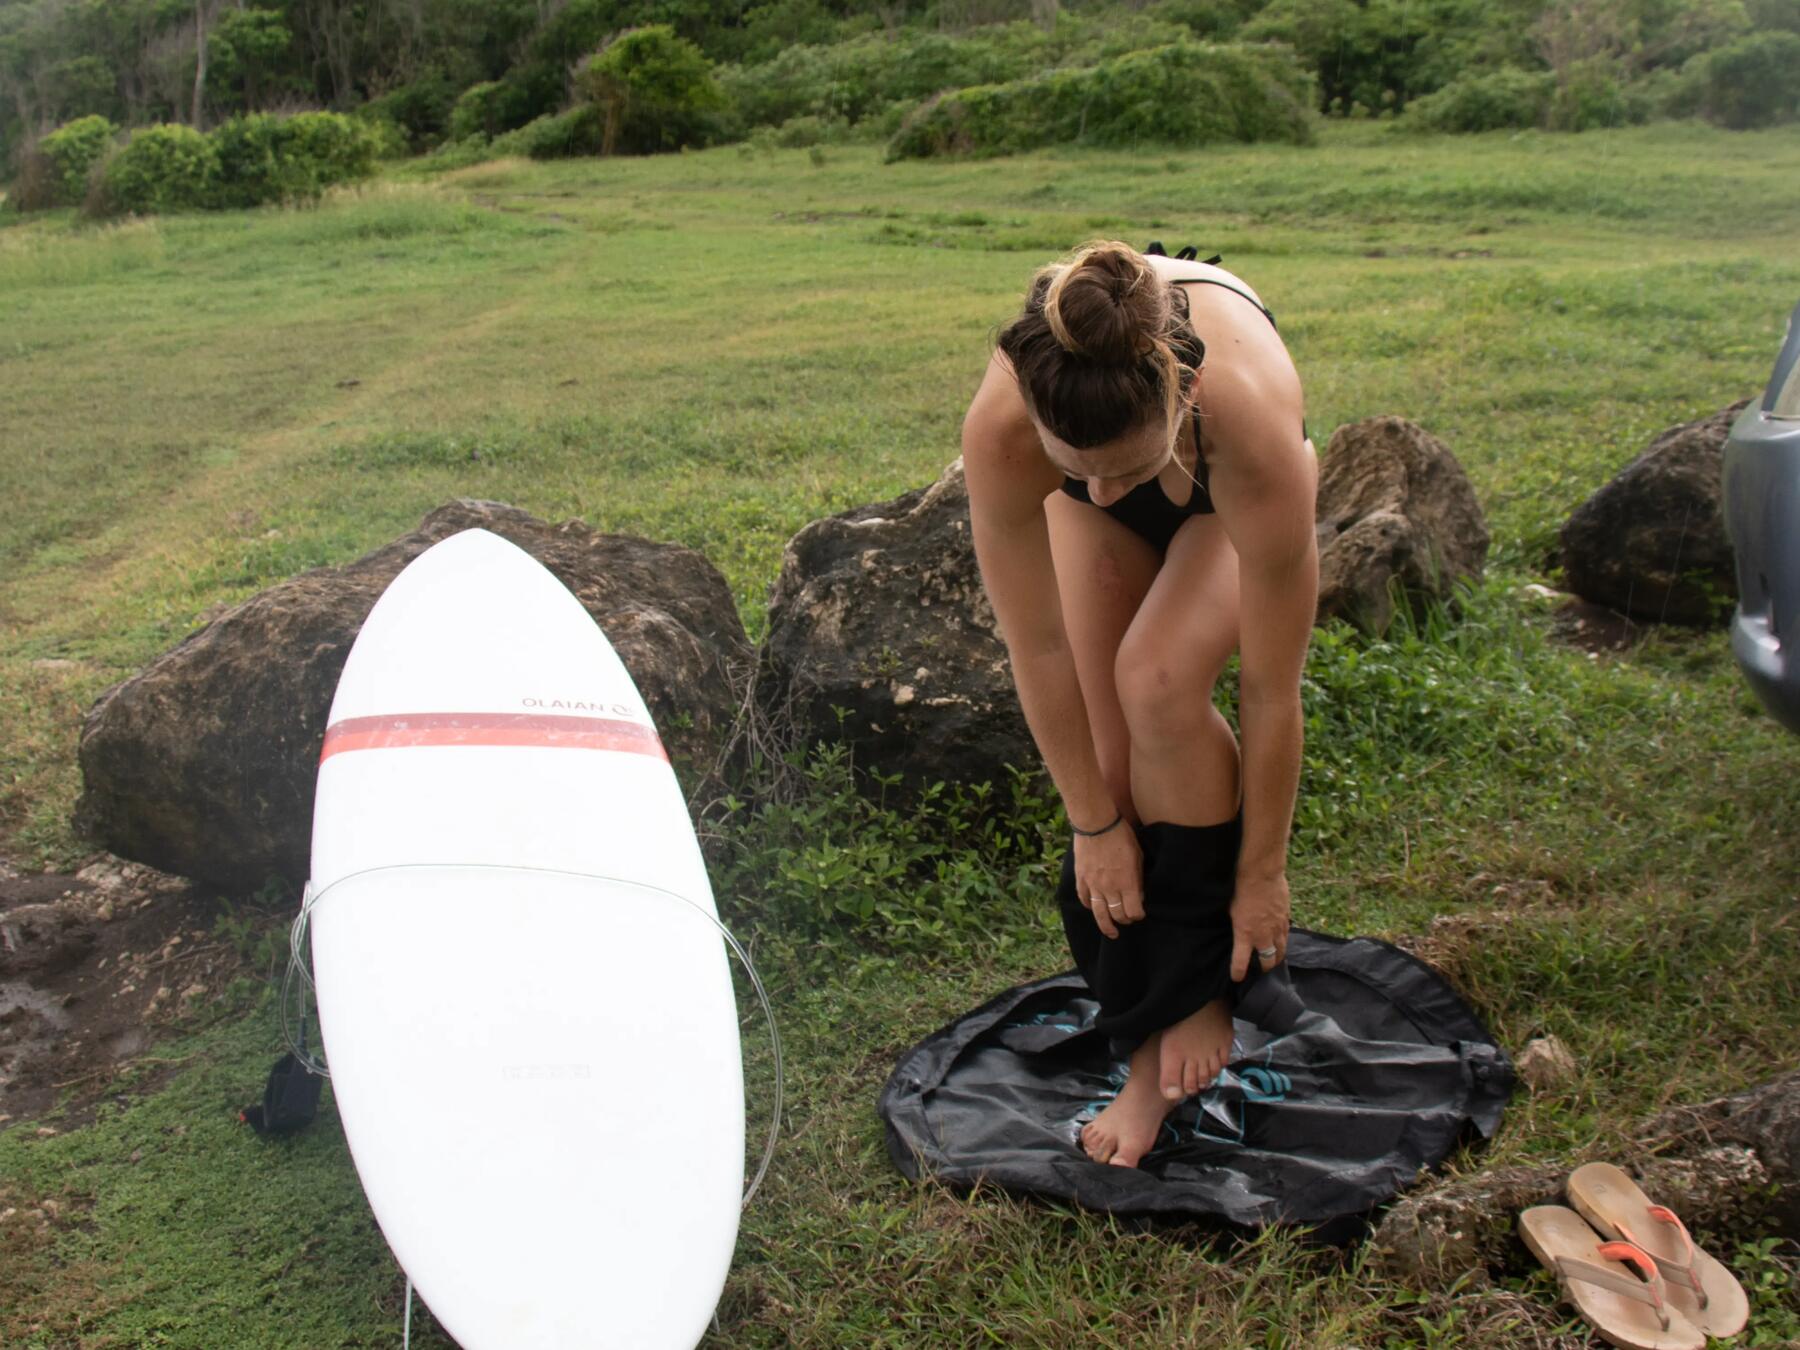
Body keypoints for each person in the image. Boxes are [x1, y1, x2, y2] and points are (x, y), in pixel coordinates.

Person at [960, 241, 1319, 1168]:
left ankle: (1198, 1000)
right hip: (1115, 428)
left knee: (1157, 682)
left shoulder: (1247, 423)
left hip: (1213, 487)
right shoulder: (1009, 425)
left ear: (1182, 401)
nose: (1106, 488)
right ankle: (1147, 1035)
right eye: (1076, 464)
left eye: (1122, 468)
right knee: (1109, 764)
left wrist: (1260, 875)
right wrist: (1093, 822)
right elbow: (1035, 646)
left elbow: (1272, 689)